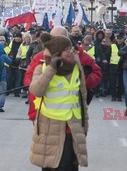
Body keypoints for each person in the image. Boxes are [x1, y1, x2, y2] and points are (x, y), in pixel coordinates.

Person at [29, 32, 88, 171]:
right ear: (57, 52)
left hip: (72, 128)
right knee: (50, 166)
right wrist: (51, 69)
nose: (70, 52)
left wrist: (84, 127)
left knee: (68, 166)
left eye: (71, 48)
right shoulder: (42, 68)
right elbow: (36, 90)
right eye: (66, 49)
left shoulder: (76, 68)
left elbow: (82, 98)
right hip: (49, 127)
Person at [5, 32, 24, 97]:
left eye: (18, 37)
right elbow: (7, 51)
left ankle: (17, 92)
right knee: (8, 78)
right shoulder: (10, 43)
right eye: (16, 37)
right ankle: (7, 91)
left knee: (17, 79)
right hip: (10, 63)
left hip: (19, 64)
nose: (17, 38)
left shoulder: (22, 44)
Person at [109, 34, 123, 101]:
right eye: (118, 38)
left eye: (121, 39)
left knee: (121, 82)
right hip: (113, 65)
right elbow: (108, 55)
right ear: (116, 39)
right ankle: (113, 96)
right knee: (113, 82)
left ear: (123, 39)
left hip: (122, 66)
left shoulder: (125, 46)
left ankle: (119, 96)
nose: (119, 40)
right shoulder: (112, 46)